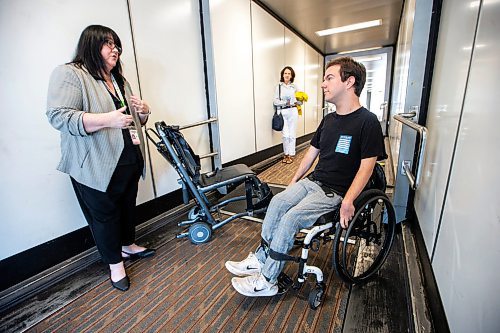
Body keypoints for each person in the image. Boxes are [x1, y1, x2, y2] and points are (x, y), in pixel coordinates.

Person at [226, 57, 386, 297]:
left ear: (349, 81)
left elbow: (367, 168)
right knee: (278, 202)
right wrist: (293, 182)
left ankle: (268, 280)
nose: (323, 84)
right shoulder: (329, 120)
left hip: (335, 191)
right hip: (313, 181)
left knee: (291, 218)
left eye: (329, 78)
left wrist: (349, 200)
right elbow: (310, 155)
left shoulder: (368, 122)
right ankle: (261, 258)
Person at [46, 25, 155, 292]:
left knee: (128, 206)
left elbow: (132, 121)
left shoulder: (120, 80)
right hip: (94, 162)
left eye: (116, 44)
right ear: (90, 45)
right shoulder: (70, 73)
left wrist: (143, 112)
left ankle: (127, 245)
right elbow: (58, 116)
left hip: (128, 156)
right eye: (108, 43)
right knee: (104, 215)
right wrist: (108, 119)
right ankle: (115, 264)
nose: (115, 48)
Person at [273, 66, 301, 164]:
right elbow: (275, 101)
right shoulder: (279, 87)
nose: (287, 75)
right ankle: (286, 154)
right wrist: (285, 102)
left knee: (292, 134)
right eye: (285, 73)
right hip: (283, 112)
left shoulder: (295, 87)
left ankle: (291, 154)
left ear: (291, 75)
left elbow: (300, 102)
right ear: (282, 75)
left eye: (289, 73)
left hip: (293, 111)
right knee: (285, 135)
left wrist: (299, 100)